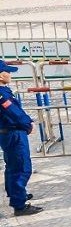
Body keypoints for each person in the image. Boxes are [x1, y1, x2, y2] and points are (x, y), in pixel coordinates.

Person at [0, 60, 41, 216]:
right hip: (14, 133)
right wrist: (28, 124)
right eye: (7, 71)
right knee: (22, 168)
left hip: (8, 133)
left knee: (12, 166)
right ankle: (19, 204)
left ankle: (16, 194)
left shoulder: (4, 90)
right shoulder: (2, 94)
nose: (10, 74)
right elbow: (13, 112)